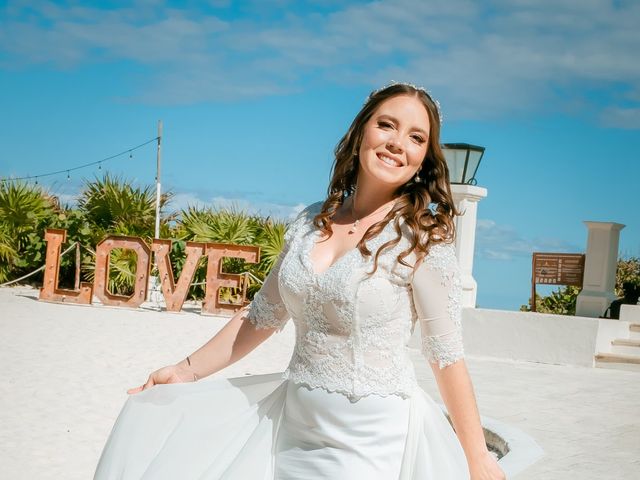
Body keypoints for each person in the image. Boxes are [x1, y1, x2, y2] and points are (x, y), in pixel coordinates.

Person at [94, 83, 506, 480]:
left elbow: (446, 356)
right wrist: (185, 371)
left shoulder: (422, 237)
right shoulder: (311, 221)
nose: (398, 142)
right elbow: (260, 317)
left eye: (416, 137)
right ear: (361, 131)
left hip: (369, 439)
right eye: (386, 125)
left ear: (423, 160)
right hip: (292, 428)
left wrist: (475, 458)